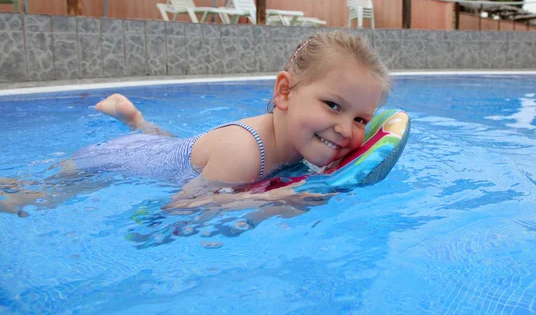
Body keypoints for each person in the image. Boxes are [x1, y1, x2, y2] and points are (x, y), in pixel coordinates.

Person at [0, 31, 391, 215]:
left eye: (360, 119)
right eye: (333, 105)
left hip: (170, 152)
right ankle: (135, 125)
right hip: (111, 162)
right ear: (285, 93)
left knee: (175, 147)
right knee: (28, 197)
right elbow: (177, 207)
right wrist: (270, 198)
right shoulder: (243, 152)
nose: (345, 129)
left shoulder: (299, 142)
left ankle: (135, 118)